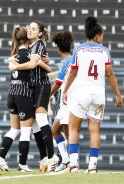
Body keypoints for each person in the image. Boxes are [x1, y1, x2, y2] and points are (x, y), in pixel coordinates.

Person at [61, 16, 123, 174]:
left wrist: (66, 90)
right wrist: (118, 94)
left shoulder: (79, 49)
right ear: (97, 35)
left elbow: (73, 71)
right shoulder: (104, 51)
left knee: (74, 129)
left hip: (81, 93)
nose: (103, 38)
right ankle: (93, 167)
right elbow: (109, 74)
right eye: (102, 35)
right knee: (94, 130)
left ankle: (74, 165)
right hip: (98, 94)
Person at [9, 20, 59, 172]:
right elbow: (37, 64)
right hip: (32, 88)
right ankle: (45, 158)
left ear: (40, 33)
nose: (30, 30)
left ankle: (51, 157)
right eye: (29, 28)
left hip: (41, 85)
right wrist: (11, 59)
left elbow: (31, 65)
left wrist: (15, 66)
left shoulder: (38, 44)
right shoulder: (29, 47)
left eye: (33, 29)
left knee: (41, 119)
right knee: (36, 124)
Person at [0, 26, 41, 172]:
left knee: (14, 129)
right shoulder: (28, 54)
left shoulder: (14, 53)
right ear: (27, 38)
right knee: (26, 131)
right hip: (23, 94)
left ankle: (1, 157)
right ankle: (22, 164)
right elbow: (34, 66)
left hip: (12, 94)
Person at [50, 30, 74, 172]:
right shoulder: (72, 60)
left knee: (69, 132)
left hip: (68, 103)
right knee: (55, 129)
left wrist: (48, 95)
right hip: (66, 103)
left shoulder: (66, 62)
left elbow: (58, 82)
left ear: (58, 48)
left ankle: (72, 163)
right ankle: (65, 159)